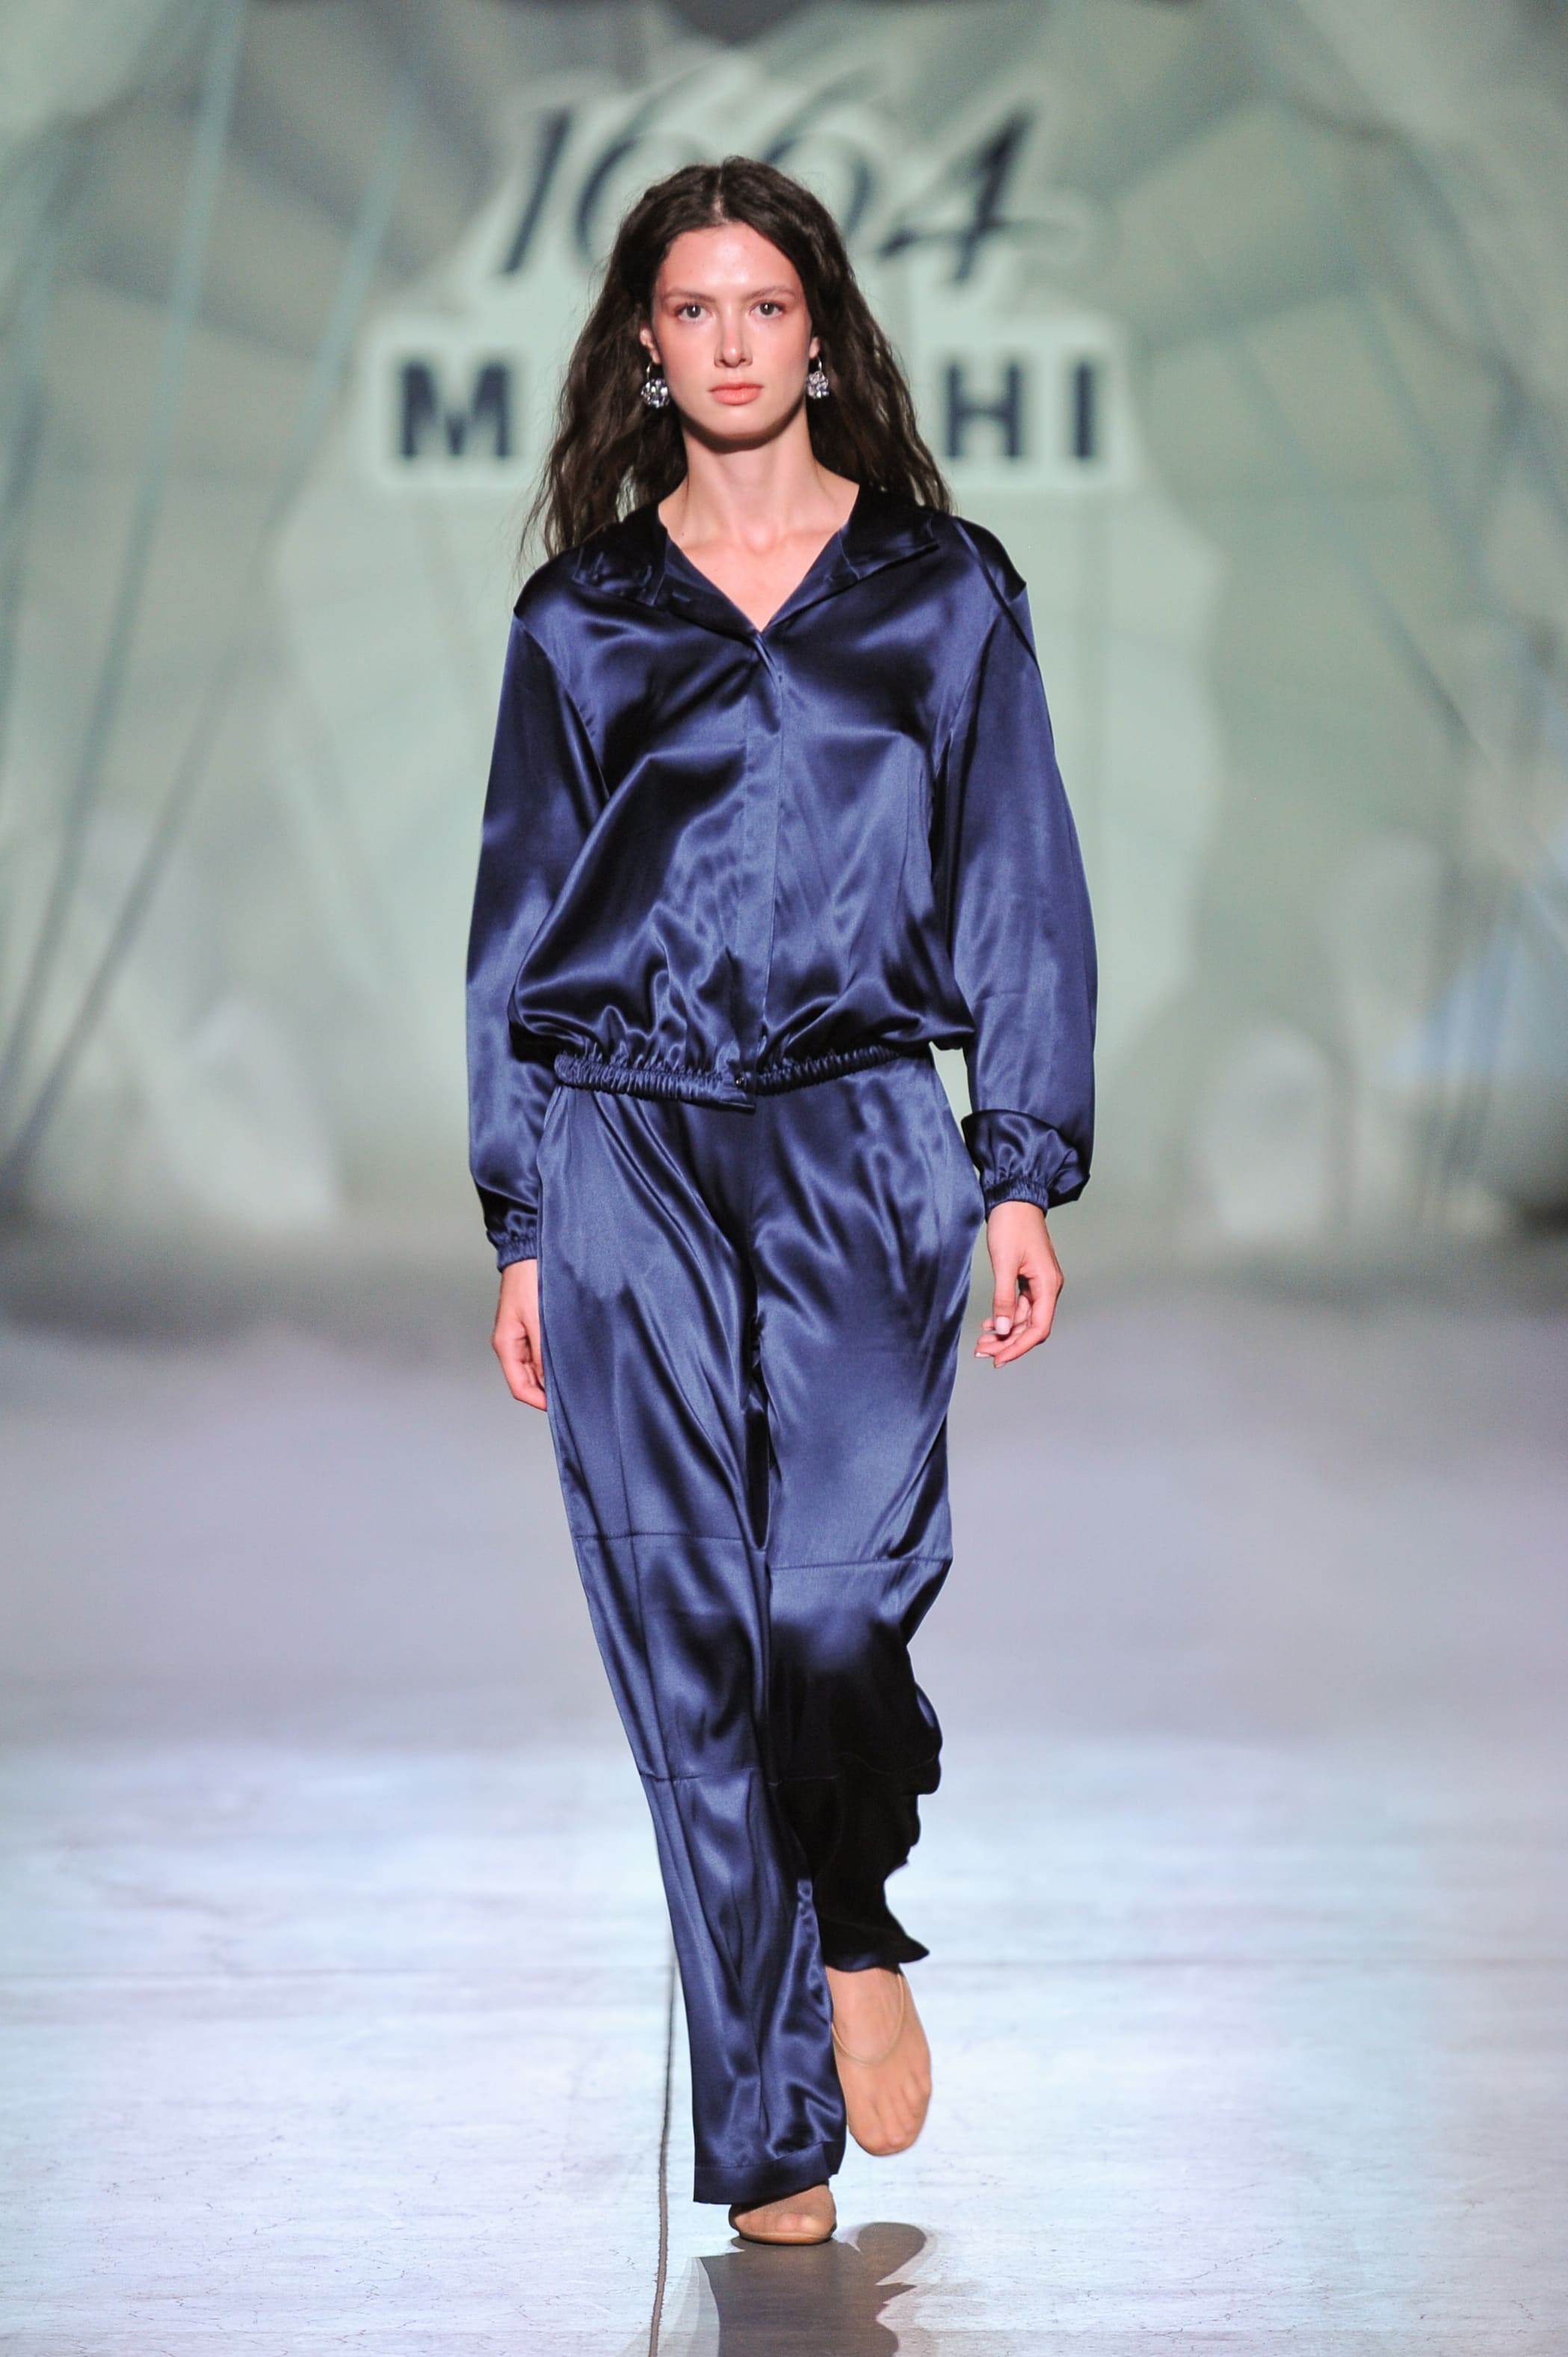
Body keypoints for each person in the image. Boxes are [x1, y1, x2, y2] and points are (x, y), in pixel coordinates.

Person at [466, 156, 1095, 2247]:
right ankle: (769, 2137)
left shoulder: (941, 590)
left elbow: (1014, 875)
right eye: (691, 309)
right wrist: (522, 1215)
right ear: (645, 351)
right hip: (625, 1147)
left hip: (858, 1137)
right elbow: (516, 926)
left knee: (831, 1604)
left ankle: (850, 1908)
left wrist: (1016, 1166)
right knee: (687, 1642)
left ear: (819, 333)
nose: (729, 341)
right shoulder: (581, 619)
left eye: (763, 305)